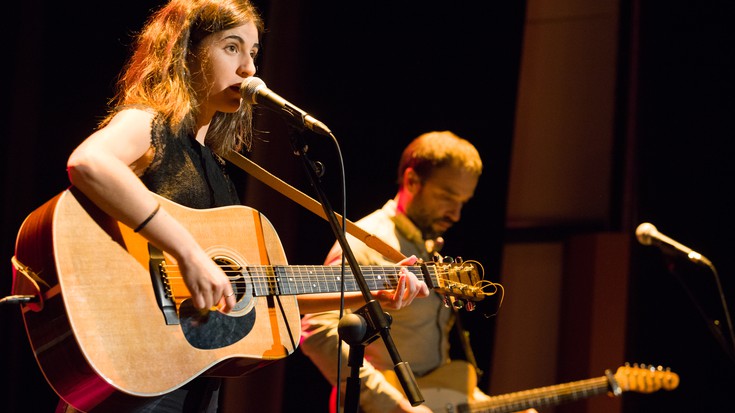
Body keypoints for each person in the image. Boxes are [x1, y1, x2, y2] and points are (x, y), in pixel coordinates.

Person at [60, 1, 427, 412]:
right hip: (133, 375)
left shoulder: (215, 166)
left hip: (192, 390)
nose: (249, 69)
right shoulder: (147, 124)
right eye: (232, 47)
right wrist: (188, 252)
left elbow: (263, 293)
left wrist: (365, 292)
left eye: (253, 52)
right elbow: (89, 162)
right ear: (184, 51)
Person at [299, 131, 538, 413]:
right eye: (447, 197)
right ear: (412, 181)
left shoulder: (430, 247)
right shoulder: (364, 244)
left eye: (463, 201)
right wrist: (397, 406)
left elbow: (436, 375)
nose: (456, 214)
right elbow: (316, 331)